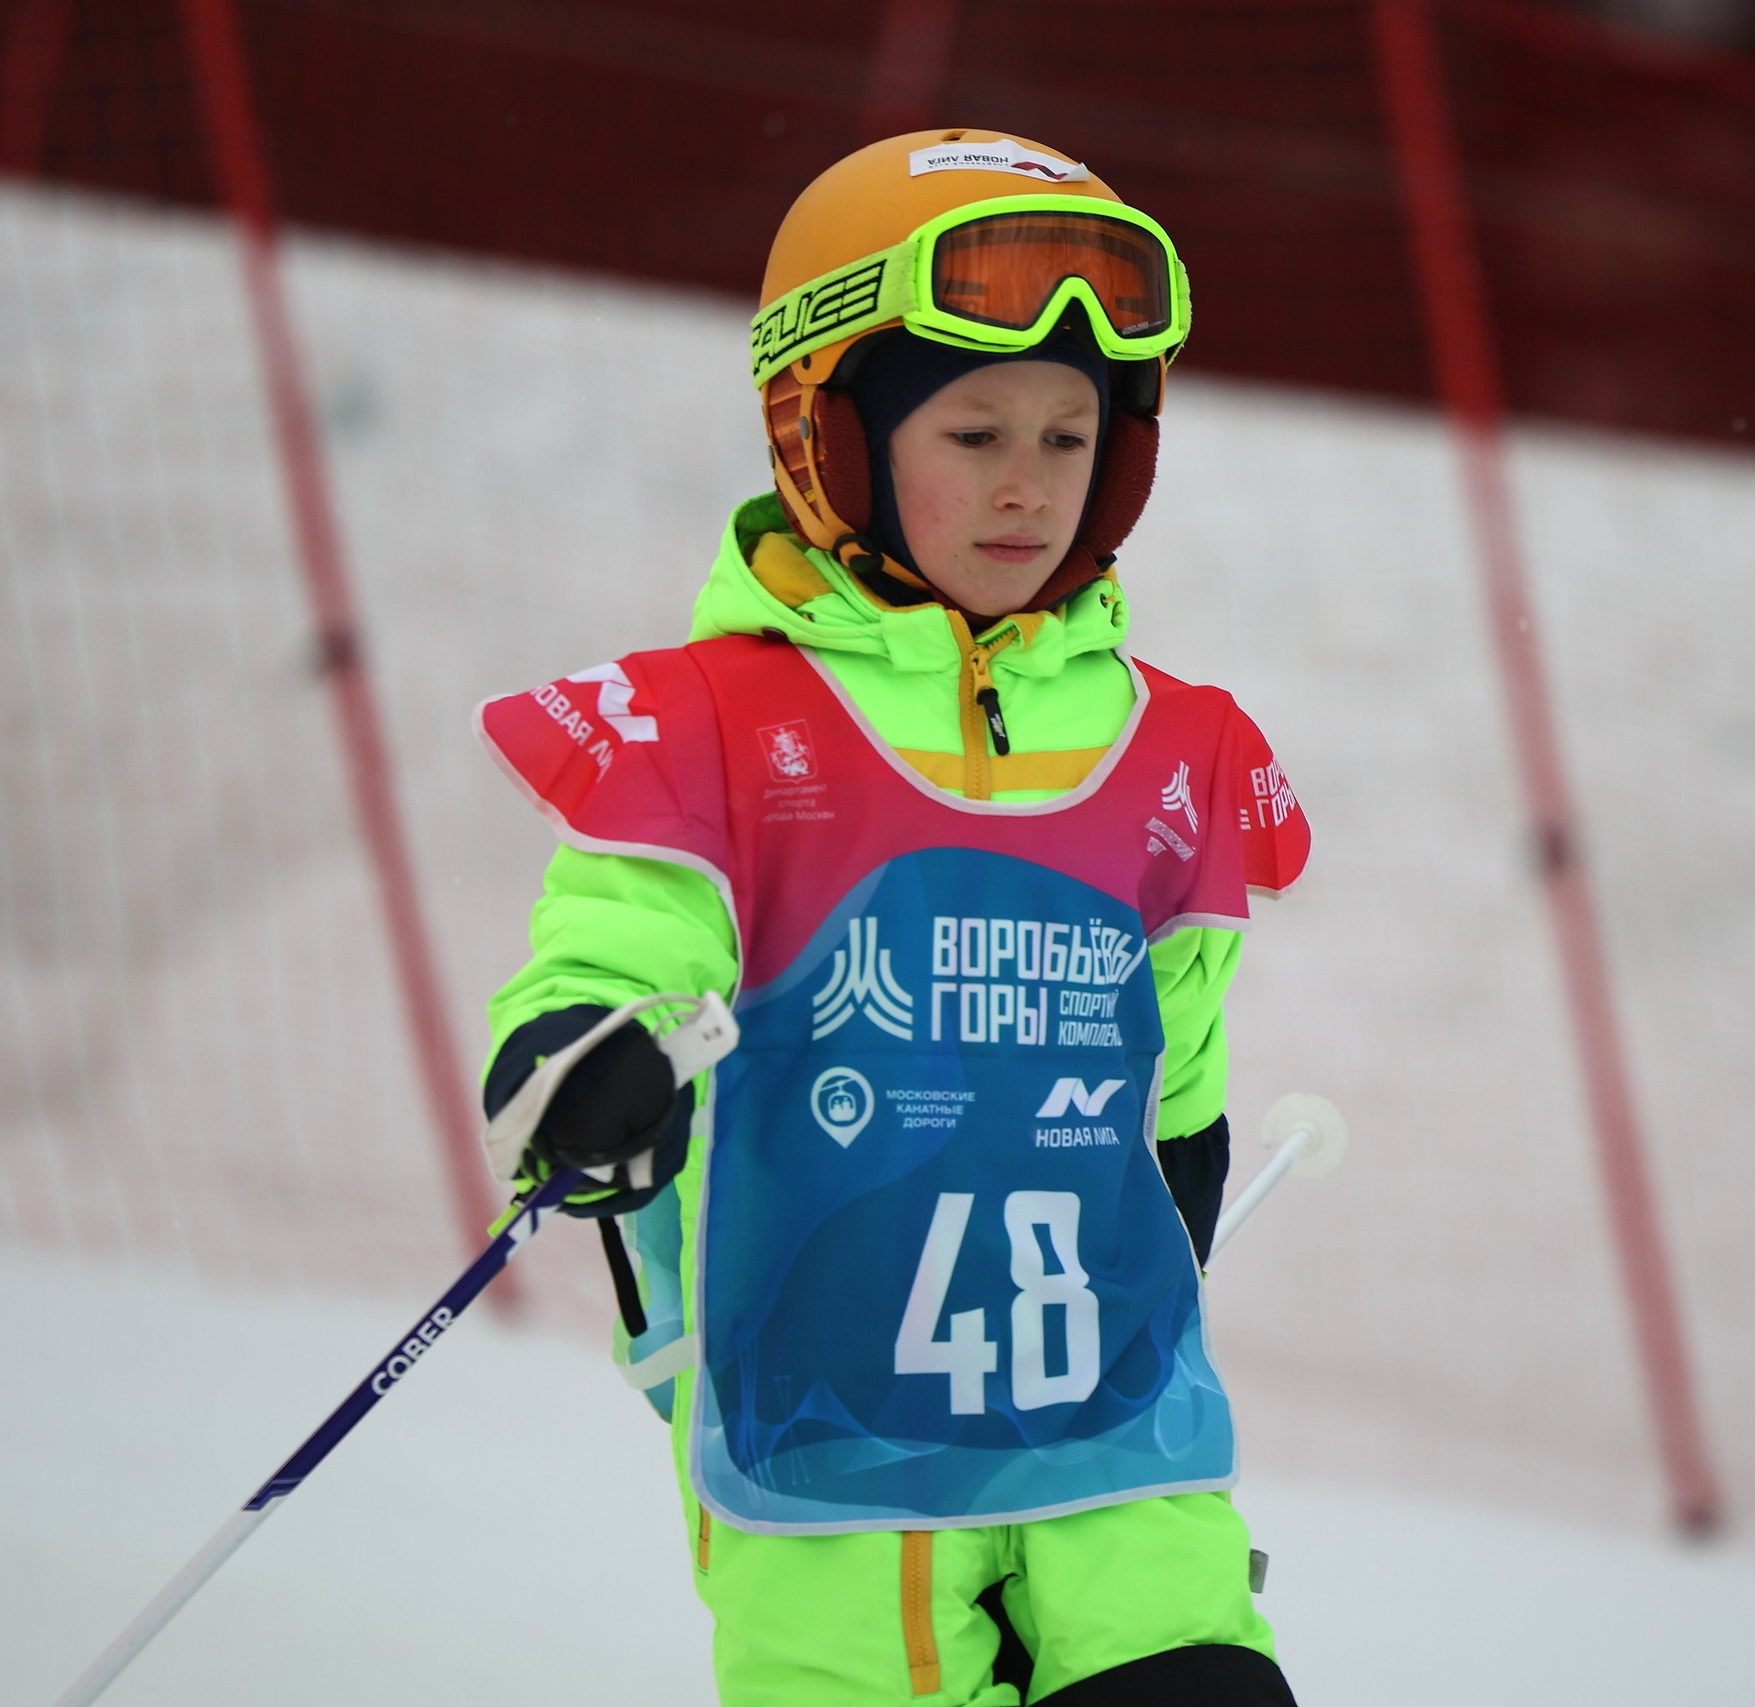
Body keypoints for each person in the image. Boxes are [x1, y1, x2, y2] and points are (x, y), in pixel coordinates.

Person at [474, 128, 1311, 1707]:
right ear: (829, 437)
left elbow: (1171, 1046)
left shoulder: (1173, 744)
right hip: (829, 1442)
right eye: (975, 428)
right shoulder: (712, 729)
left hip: (1106, 1417)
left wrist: (1181, 1181)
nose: (1026, 486)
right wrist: (585, 1055)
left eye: (1072, 440)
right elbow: (610, 953)